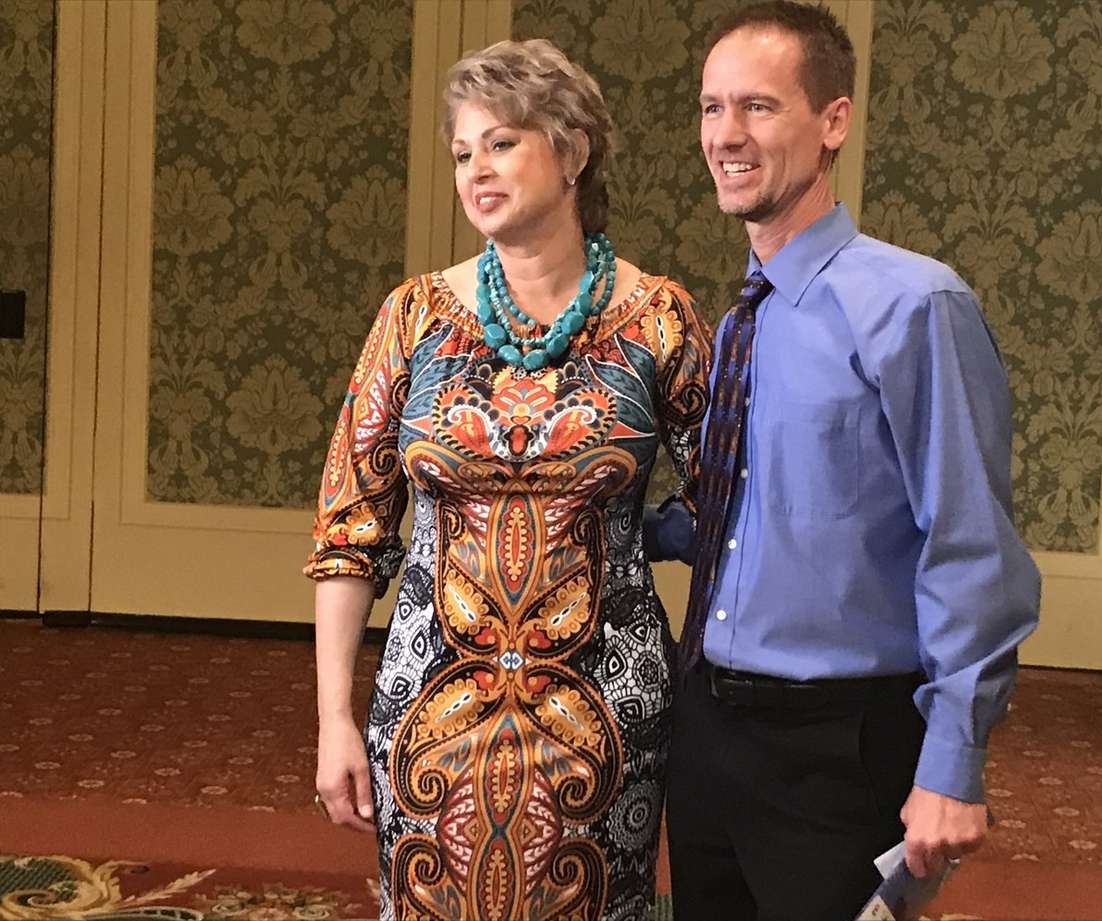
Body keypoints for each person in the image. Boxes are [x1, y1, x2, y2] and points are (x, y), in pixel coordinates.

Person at [305, 39, 712, 921]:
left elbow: (730, 497)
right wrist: (335, 715)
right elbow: (350, 529)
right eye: (462, 152)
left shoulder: (658, 318)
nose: (476, 170)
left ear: (571, 152)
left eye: (500, 144)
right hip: (431, 705)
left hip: (605, 709)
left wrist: (643, 540)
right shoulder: (412, 317)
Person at [663, 3, 1042, 919]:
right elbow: (748, 509)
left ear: (833, 121)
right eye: (712, 109)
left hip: (836, 746)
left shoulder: (916, 306)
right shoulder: (742, 319)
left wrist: (953, 762)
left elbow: (971, 547)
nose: (727, 135)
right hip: (707, 727)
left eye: (757, 106)